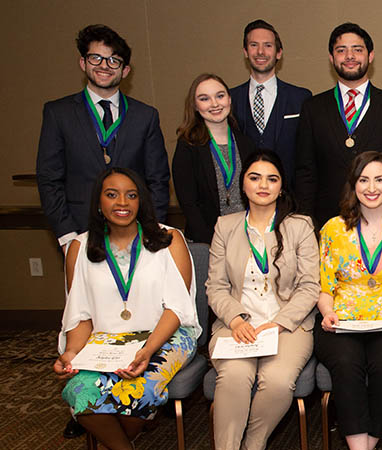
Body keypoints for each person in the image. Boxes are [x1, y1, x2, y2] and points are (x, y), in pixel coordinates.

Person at [54, 168, 200, 450]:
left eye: (131, 195)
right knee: (78, 392)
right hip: (105, 339)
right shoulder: (79, 247)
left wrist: (147, 350)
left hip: (165, 334)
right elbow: (80, 314)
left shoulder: (169, 240)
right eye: (112, 195)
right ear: (98, 202)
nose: (122, 202)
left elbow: (177, 309)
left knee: (141, 390)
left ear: (141, 201)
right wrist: (71, 353)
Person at [205, 150, 319, 450]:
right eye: (254, 178)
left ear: (282, 186)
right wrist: (234, 318)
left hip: (287, 326)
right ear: (243, 184)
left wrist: (278, 324)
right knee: (234, 377)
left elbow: (309, 286)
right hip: (235, 326)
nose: (263, 185)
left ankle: (253, 444)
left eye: (272, 179)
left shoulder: (299, 226)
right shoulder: (225, 226)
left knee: (278, 382)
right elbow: (215, 286)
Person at [313, 151, 382, 450]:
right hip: (343, 320)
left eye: (379, 179)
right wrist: (327, 313)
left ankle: (370, 441)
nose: (372, 188)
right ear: (353, 184)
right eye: (364, 180)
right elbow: (325, 287)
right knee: (346, 363)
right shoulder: (333, 229)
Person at [37, 24, 170, 255]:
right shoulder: (59, 113)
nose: (104, 66)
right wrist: (67, 235)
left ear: (125, 70)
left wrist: (151, 229)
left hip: (136, 233)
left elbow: (158, 179)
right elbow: (49, 179)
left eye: (113, 61)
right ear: (83, 63)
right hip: (79, 232)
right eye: (96, 58)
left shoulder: (145, 116)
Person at [296, 22, 382, 228]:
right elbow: (305, 173)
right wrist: (305, 224)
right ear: (331, 57)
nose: (349, 56)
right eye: (341, 50)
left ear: (370, 56)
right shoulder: (312, 108)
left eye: (357, 50)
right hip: (327, 223)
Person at [173, 74, 257, 244]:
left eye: (220, 96)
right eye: (204, 99)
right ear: (195, 106)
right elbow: (188, 203)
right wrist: (211, 242)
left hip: (246, 238)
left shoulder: (246, 143)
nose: (215, 104)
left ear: (229, 99)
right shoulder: (188, 146)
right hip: (206, 240)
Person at [230, 20, 312, 188]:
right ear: (245, 52)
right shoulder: (230, 99)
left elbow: (308, 157)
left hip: (290, 198)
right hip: (244, 199)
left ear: (279, 52)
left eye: (268, 45)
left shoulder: (301, 98)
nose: (260, 52)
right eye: (254, 45)